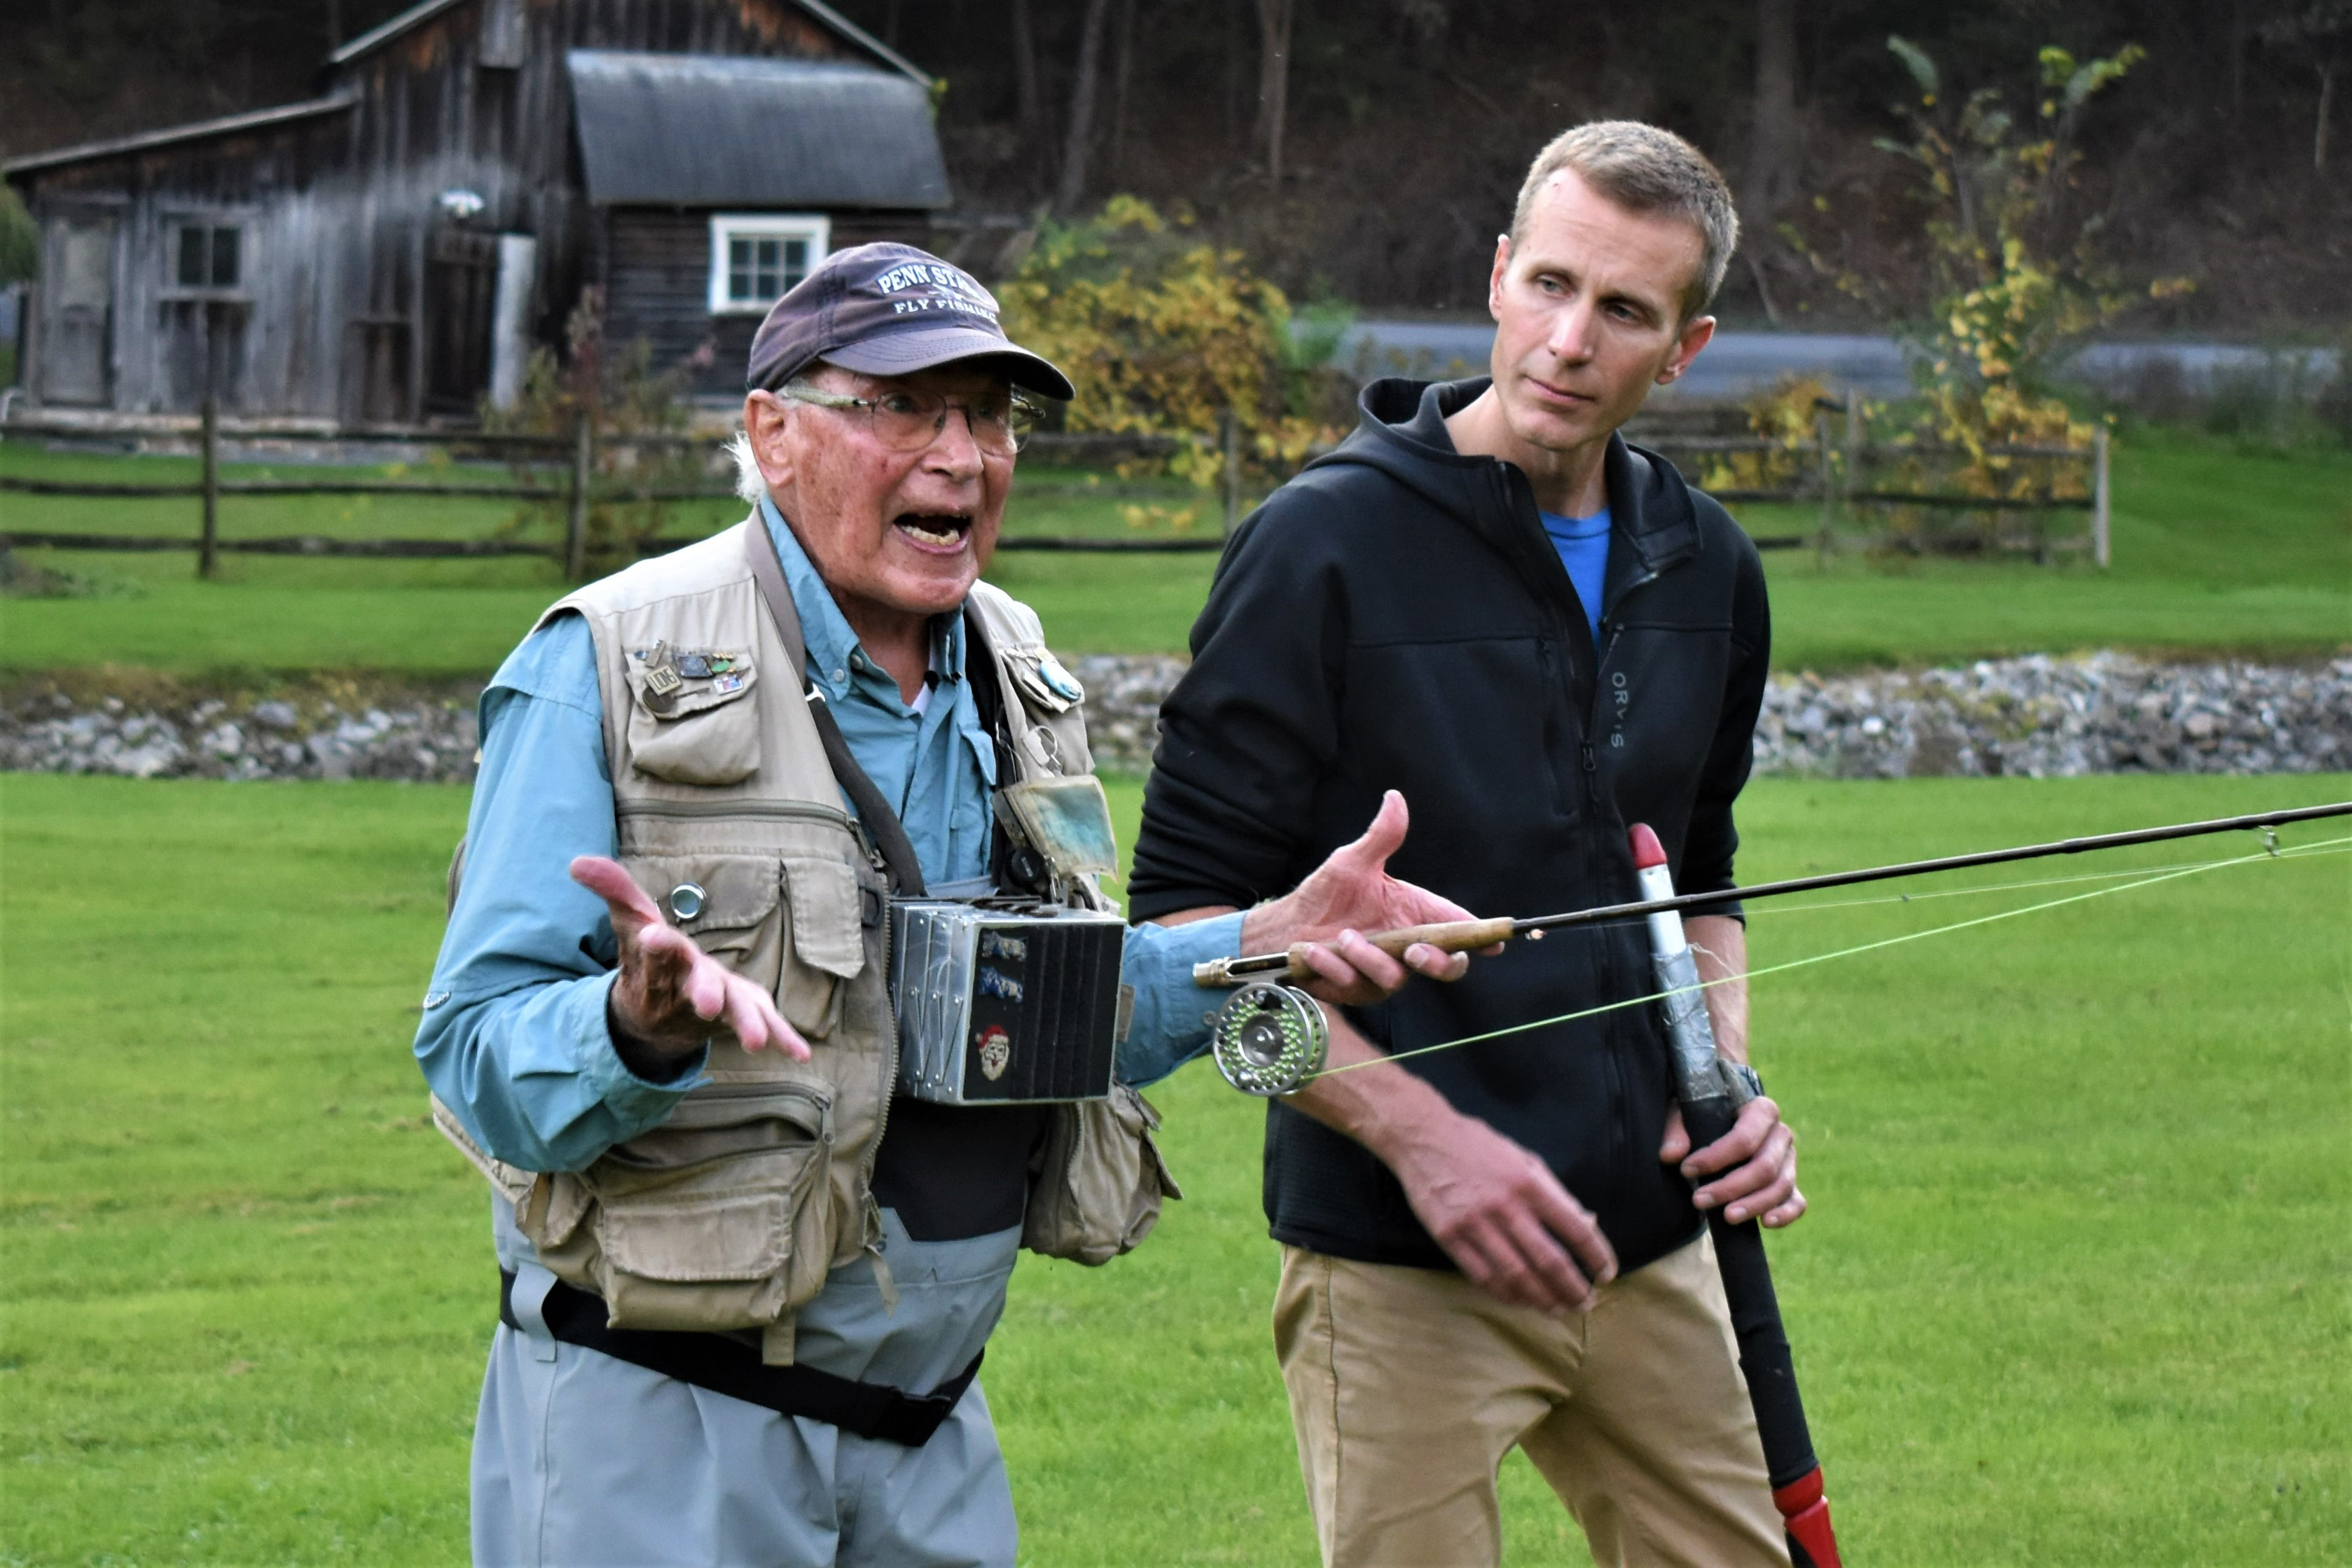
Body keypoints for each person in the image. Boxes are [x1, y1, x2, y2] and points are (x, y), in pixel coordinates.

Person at [414, 242, 1477, 1568]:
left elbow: (1034, 1009)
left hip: (930, 1435)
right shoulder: (607, 661)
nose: (960, 456)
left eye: (989, 414)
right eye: (904, 408)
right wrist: (638, 1028)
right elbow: (473, 1057)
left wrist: (1263, 946)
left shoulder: (1016, 665)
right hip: (667, 1427)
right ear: (774, 431)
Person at [1127, 124, 1805, 1566]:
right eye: (1547, 284)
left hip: (1653, 1242)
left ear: (1682, 349)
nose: (1567, 340)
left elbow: (1693, 873)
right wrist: (1427, 1144)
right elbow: (1186, 949)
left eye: (1622, 310)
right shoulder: (1317, 547)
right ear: (1495, 277)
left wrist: (1723, 1076)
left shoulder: (1709, 568)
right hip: (1395, 1267)